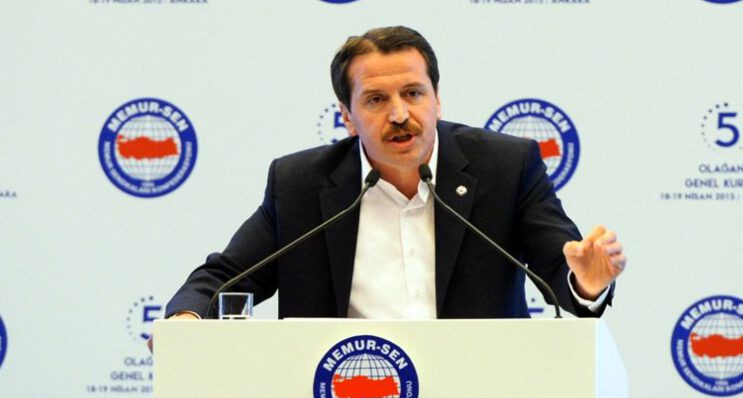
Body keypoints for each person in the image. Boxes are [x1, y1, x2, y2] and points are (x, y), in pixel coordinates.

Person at [161, 26, 626, 329]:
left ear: (437, 99)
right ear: (347, 116)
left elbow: (563, 273)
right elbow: (224, 278)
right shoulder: (300, 184)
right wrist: (187, 317)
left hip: (480, 395)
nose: (400, 114)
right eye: (376, 100)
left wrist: (585, 282)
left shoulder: (505, 168)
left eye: (413, 93)